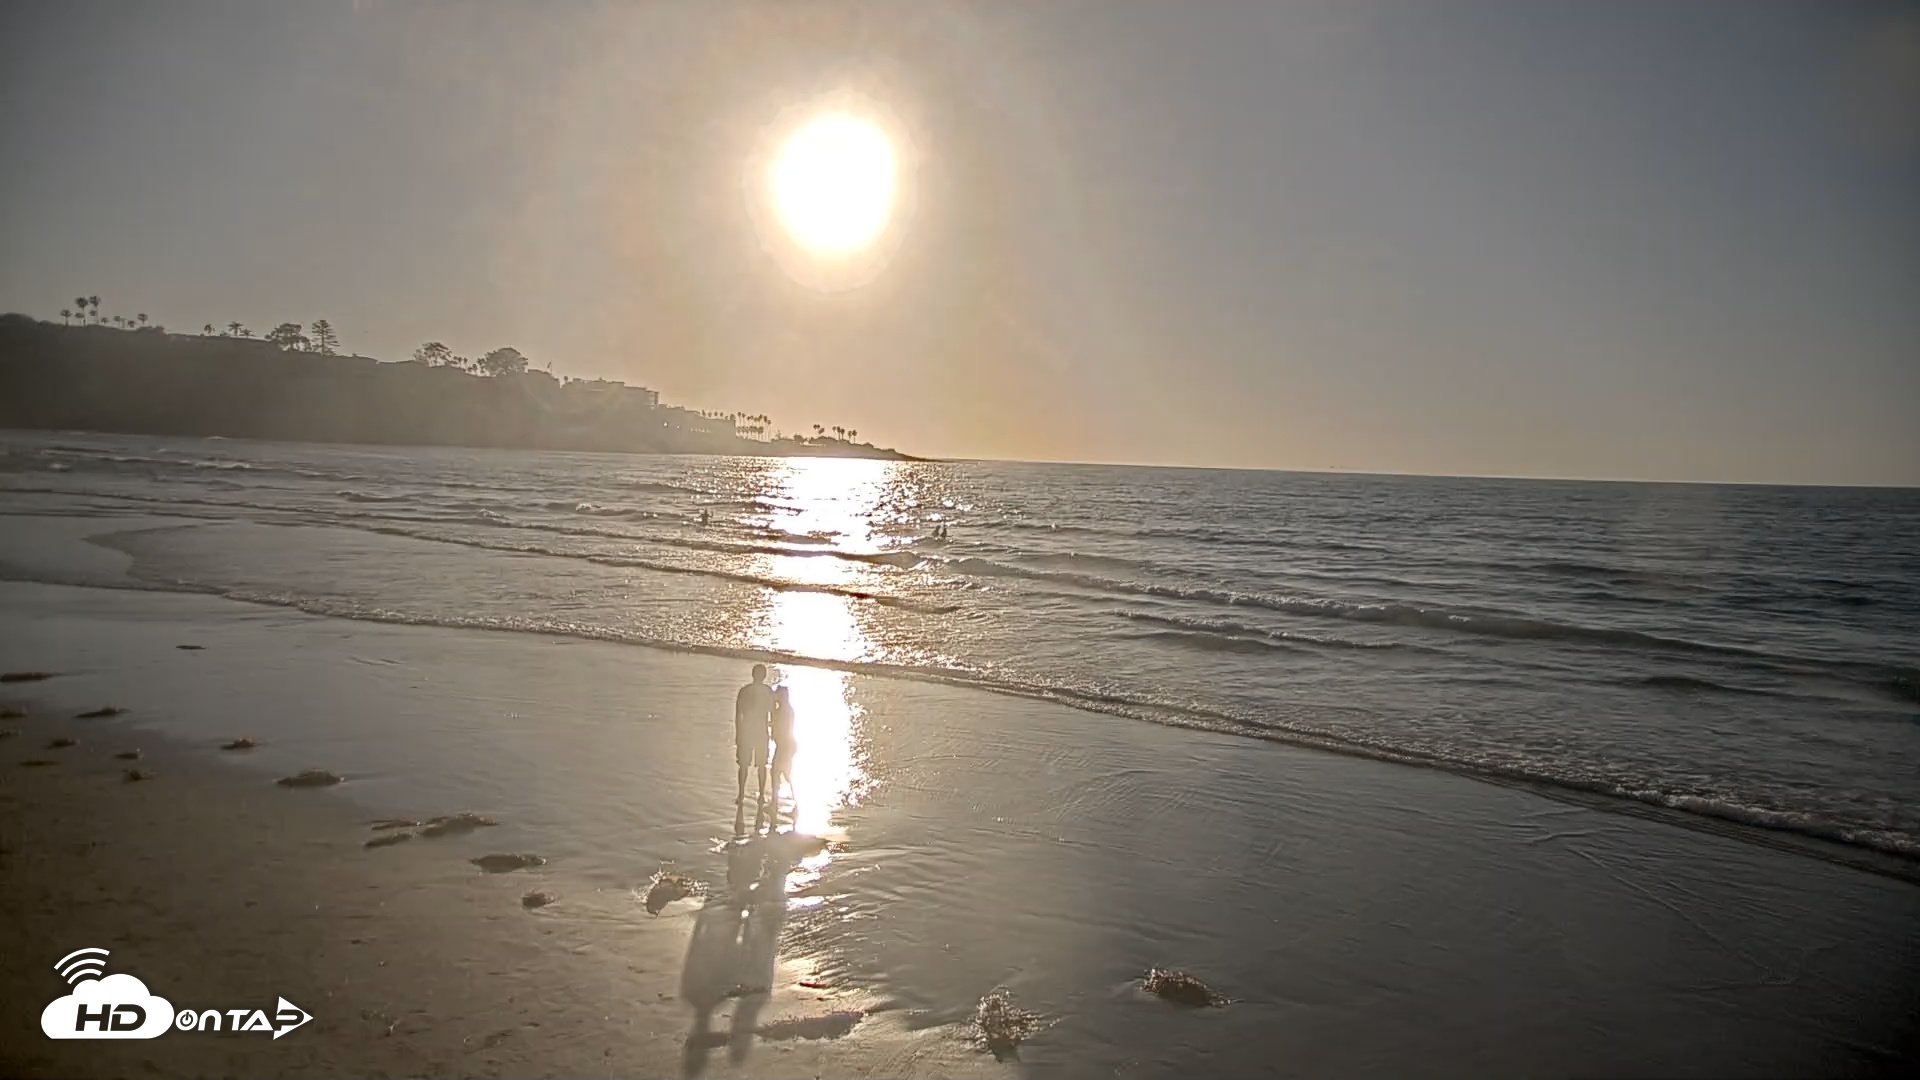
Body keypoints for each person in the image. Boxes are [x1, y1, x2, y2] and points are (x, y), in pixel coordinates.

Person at [734, 664, 774, 825]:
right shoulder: (768, 691)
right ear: (764, 676)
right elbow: (772, 713)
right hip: (761, 732)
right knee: (762, 765)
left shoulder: (744, 691)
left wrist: (738, 733)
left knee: (743, 765)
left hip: (747, 731)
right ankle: (762, 795)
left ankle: (741, 794)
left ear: (752, 674)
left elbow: (738, 715)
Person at [769, 685, 797, 825]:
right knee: (782, 774)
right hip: (787, 745)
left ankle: (778, 803)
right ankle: (777, 803)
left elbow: (777, 726)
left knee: (778, 773)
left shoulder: (783, 710)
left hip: (785, 746)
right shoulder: (786, 709)